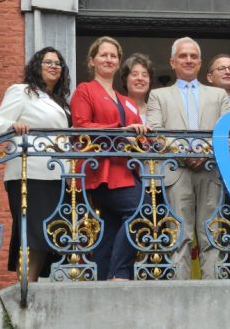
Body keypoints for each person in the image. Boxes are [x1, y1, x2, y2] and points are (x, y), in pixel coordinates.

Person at [147, 37, 230, 279]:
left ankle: (213, 291)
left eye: (193, 56)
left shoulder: (218, 95)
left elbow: (227, 130)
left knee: (211, 235)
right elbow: (155, 131)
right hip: (177, 171)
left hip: (211, 170)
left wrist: (205, 153)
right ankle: (178, 291)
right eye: (183, 56)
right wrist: (184, 153)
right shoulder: (158, 95)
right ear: (172, 62)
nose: (188, 60)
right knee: (179, 235)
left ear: (200, 62)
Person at [0, 47, 71, 282]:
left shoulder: (60, 102)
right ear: (37, 66)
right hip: (29, 173)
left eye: (58, 63)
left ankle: (30, 285)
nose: (54, 66)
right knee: (32, 233)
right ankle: (25, 287)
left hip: (56, 175)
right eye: (48, 62)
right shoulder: (21, 91)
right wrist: (13, 126)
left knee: (46, 235)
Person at [71, 36, 149, 280]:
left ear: (118, 62)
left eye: (113, 56)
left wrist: (141, 137)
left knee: (112, 226)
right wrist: (119, 131)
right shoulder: (84, 90)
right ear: (92, 60)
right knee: (140, 210)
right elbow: (81, 126)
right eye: (103, 55)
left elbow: (139, 135)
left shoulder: (126, 100)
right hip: (101, 169)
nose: (108, 59)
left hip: (126, 169)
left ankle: (103, 275)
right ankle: (121, 273)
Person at [121, 52, 155, 123]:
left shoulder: (155, 110)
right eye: (134, 74)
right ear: (125, 79)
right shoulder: (118, 107)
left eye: (144, 75)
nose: (140, 78)